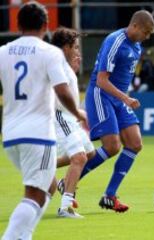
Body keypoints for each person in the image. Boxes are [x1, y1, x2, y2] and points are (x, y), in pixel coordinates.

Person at [0, 2, 85, 239]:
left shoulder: (4, 51)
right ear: (46, 25)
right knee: (36, 195)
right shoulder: (50, 53)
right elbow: (62, 90)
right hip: (37, 133)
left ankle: (23, 236)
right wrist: (77, 113)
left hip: (10, 135)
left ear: (17, 24)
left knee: (44, 189)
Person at [80, 10, 154, 213]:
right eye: (146, 32)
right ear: (135, 26)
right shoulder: (115, 41)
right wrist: (126, 98)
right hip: (101, 95)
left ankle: (109, 196)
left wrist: (123, 98)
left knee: (135, 143)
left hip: (119, 98)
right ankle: (70, 180)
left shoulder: (137, 46)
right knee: (112, 146)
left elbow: (123, 76)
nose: (146, 37)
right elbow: (101, 80)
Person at [51, 27, 96, 218]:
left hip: (71, 116)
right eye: (75, 47)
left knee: (89, 153)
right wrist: (77, 111)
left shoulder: (63, 65)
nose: (78, 51)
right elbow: (59, 95)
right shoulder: (56, 64)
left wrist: (73, 70)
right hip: (62, 116)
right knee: (79, 158)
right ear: (66, 47)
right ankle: (66, 207)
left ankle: (48, 165)